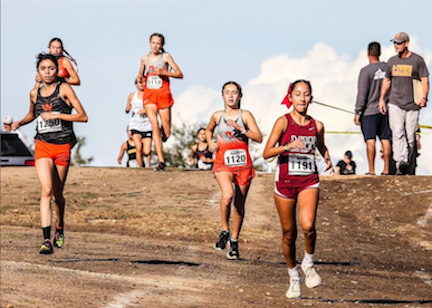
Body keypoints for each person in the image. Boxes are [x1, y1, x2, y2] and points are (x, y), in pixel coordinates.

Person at [263, 80, 333, 299]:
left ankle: (309, 263)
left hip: (308, 181)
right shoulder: (282, 122)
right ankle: (293, 276)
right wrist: (286, 147)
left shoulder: (317, 125)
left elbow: (320, 144)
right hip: (285, 183)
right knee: (288, 233)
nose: (302, 98)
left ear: (311, 98)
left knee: (309, 225)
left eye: (306, 94)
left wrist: (327, 156)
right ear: (290, 98)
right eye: (298, 94)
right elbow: (267, 153)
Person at [12, 53, 88, 254]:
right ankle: (46, 240)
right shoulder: (34, 93)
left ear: (57, 71)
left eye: (51, 68)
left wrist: (57, 115)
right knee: (45, 190)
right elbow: (33, 113)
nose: (47, 72)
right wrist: (20, 122)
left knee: (57, 195)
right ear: (38, 72)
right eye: (43, 68)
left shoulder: (64, 89)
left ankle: (60, 225)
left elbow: (83, 116)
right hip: (43, 145)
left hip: (62, 146)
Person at [206, 81, 262, 260]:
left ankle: (234, 241)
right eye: (227, 92)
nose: (231, 96)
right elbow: (208, 131)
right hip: (223, 163)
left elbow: (258, 137)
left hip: (243, 165)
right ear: (222, 96)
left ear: (240, 95)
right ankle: (224, 230)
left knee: (239, 204)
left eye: (234, 92)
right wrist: (210, 142)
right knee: (227, 195)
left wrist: (242, 129)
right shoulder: (217, 116)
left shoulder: (245, 116)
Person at [379, 32, 429, 175]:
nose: (396, 45)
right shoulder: (392, 61)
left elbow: (425, 79)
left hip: (413, 104)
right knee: (397, 132)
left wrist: (424, 97)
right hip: (395, 102)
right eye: (394, 43)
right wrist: (382, 98)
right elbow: (387, 80)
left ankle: (409, 162)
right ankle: (400, 162)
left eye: (399, 43)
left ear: (406, 43)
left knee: (410, 134)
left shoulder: (417, 60)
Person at [137, 33, 183, 171]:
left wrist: (164, 73)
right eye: (153, 43)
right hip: (150, 95)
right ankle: (161, 161)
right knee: (154, 127)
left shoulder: (166, 57)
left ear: (161, 45)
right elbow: (141, 74)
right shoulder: (144, 59)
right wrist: (140, 78)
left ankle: (164, 134)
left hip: (163, 94)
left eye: (158, 43)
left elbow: (179, 74)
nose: (155, 45)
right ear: (149, 43)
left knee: (166, 130)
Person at [354, 42, 392, 175]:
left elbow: (362, 93)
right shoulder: (388, 68)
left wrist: (358, 111)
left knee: (370, 141)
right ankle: (386, 169)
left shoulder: (365, 71)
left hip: (369, 112)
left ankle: (371, 170)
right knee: (385, 139)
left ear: (368, 52)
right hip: (385, 111)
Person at [125, 79, 152, 168]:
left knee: (147, 151)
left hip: (147, 124)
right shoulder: (132, 96)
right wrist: (128, 109)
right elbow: (127, 108)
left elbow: (154, 108)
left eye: (143, 82)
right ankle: (141, 168)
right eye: (139, 82)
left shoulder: (149, 95)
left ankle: (145, 162)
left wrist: (146, 110)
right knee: (138, 148)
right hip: (135, 124)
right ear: (136, 84)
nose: (141, 84)